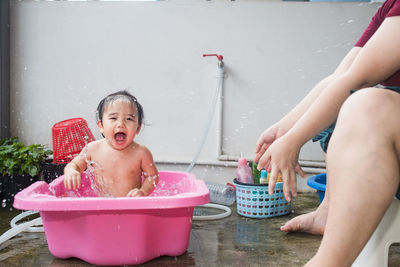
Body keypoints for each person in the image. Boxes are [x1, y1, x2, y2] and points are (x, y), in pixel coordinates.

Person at [254, 0, 400, 265]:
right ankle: (327, 211)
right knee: (342, 106)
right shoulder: (390, 7)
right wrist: (284, 130)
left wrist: (295, 139)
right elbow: (341, 76)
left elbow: (358, 79)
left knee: (365, 106)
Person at [64, 90, 159, 197]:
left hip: (132, 205)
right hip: (102, 206)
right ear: (101, 126)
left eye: (128, 119)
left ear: (138, 128)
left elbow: (152, 177)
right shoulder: (93, 149)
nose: (120, 124)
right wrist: (71, 171)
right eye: (113, 118)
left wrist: (142, 192)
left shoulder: (141, 153)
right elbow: (75, 164)